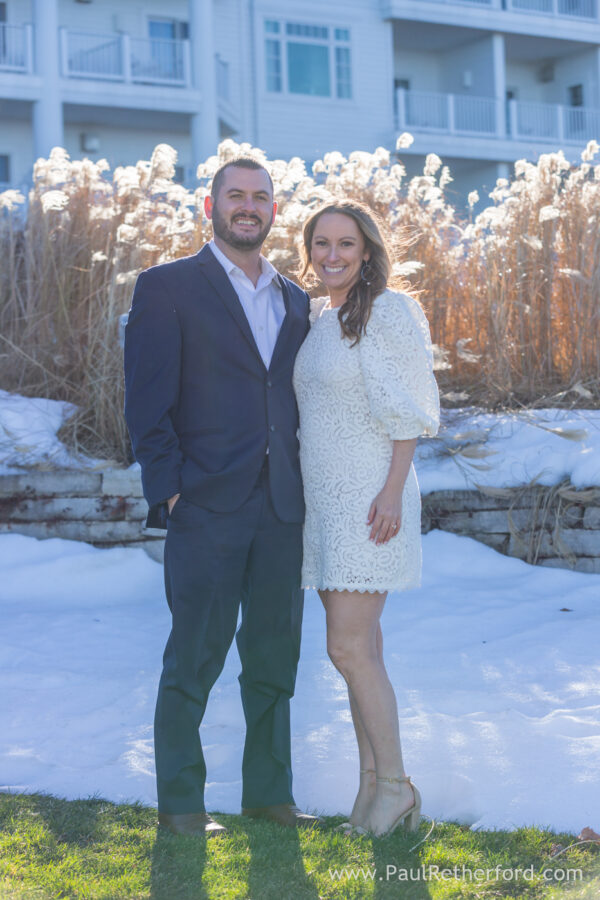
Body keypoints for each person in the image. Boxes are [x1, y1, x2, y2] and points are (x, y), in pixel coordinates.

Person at [124, 156, 321, 836]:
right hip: (204, 504)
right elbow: (146, 404)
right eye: (234, 196)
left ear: (274, 210)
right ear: (209, 208)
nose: (248, 206)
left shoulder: (295, 299)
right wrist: (171, 493)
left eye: (260, 197)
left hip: (281, 510)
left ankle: (269, 794)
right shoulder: (167, 286)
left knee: (274, 657)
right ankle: (181, 804)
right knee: (193, 659)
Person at [293, 199, 439, 837]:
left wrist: (391, 491)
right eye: (320, 244)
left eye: (345, 245)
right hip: (324, 502)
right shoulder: (320, 315)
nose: (332, 255)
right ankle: (370, 792)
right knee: (361, 650)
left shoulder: (388, 310)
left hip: (370, 499)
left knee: (347, 646)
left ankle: (396, 787)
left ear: (367, 250)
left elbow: (408, 410)